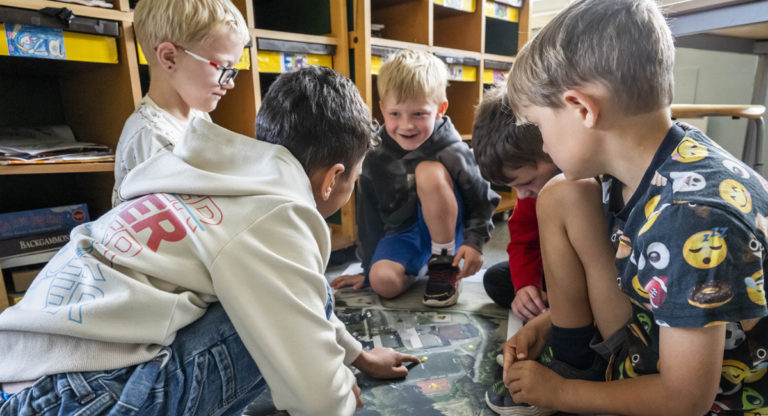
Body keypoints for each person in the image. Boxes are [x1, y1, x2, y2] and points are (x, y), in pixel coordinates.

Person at [0, 66, 420, 416]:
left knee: (280, 290)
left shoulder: (209, 175)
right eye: (354, 178)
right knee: (277, 306)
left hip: (18, 382)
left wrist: (357, 357)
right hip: (85, 399)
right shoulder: (277, 212)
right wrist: (339, 391)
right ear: (332, 178)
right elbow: (319, 400)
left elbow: (298, 298)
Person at [486, 0, 768, 415]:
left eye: (540, 126)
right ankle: (576, 359)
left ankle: (582, 383)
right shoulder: (659, 156)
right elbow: (644, 279)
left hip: (712, 398)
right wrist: (550, 322)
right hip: (657, 330)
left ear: (582, 108)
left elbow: (686, 400)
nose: (542, 145)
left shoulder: (689, 218)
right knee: (561, 194)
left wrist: (561, 394)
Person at [330, 49, 499, 308]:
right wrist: (368, 268)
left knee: (428, 172)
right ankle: (422, 267)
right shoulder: (374, 155)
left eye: (418, 114)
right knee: (382, 282)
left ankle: (444, 263)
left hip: (450, 231)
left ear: (440, 109)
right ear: (382, 108)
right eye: (395, 114)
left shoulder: (452, 150)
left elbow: (482, 198)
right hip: (404, 233)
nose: (406, 125)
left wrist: (474, 242)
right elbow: (369, 215)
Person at [111, 0, 249, 206]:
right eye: (222, 67)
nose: (230, 83)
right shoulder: (150, 136)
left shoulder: (196, 115)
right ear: (169, 58)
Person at [472, 86, 558, 322]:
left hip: (592, 275)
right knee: (496, 279)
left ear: (551, 149)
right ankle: (548, 300)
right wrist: (525, 286)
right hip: (553, 271)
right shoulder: (530, 194)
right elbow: (523, 241)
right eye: (514, 187)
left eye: (527, 182)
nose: (522, 195)